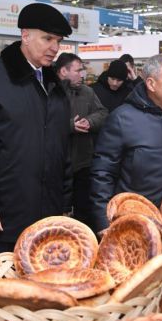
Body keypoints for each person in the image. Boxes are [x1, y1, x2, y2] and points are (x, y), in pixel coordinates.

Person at [0, 3, 73, 257]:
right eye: (47, 38)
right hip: (1, 219)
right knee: (0, 291)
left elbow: (62, 149)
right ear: (25, 35)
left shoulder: (54, 86)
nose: (55, 48)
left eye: (58, 41)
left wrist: (63, 204)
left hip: (45, 218)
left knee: (39, 291)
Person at [90, 53, 162, 234]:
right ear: (151, 84)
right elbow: (103, 175)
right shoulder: (122, 119)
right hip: (136, 226)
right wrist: (105, 225)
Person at [55, 52, 107, 229]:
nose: (82, 75)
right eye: (78, 71)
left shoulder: (87, 92)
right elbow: (40, 122)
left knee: (83, 209)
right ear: (63, 71)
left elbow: (102, 113)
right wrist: (70, 125)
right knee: (58, 212)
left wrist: (90, 122)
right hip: (58, 163)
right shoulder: (50, 90)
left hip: (83, 161)